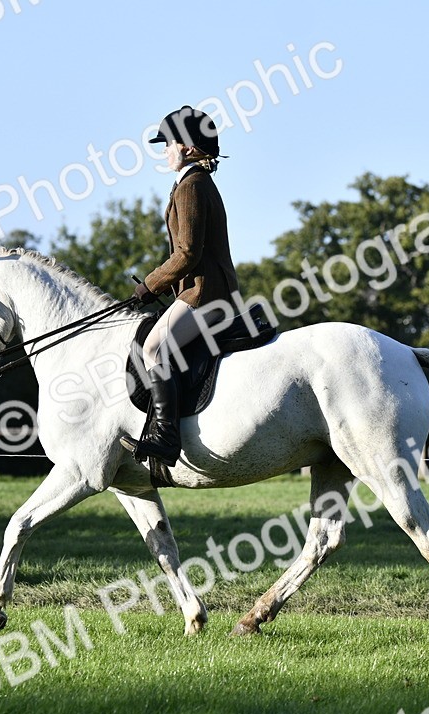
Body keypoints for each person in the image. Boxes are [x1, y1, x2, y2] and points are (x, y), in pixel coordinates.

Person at [119, 105, 240, 467]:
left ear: (187, 146)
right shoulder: (193, 183)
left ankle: (165, 436)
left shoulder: (192, 186)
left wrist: (150, 286)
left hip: (204, 294)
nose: (165, 150)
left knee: (154, 348)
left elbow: (187, 253)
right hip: (204, 291)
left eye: (168, 143)